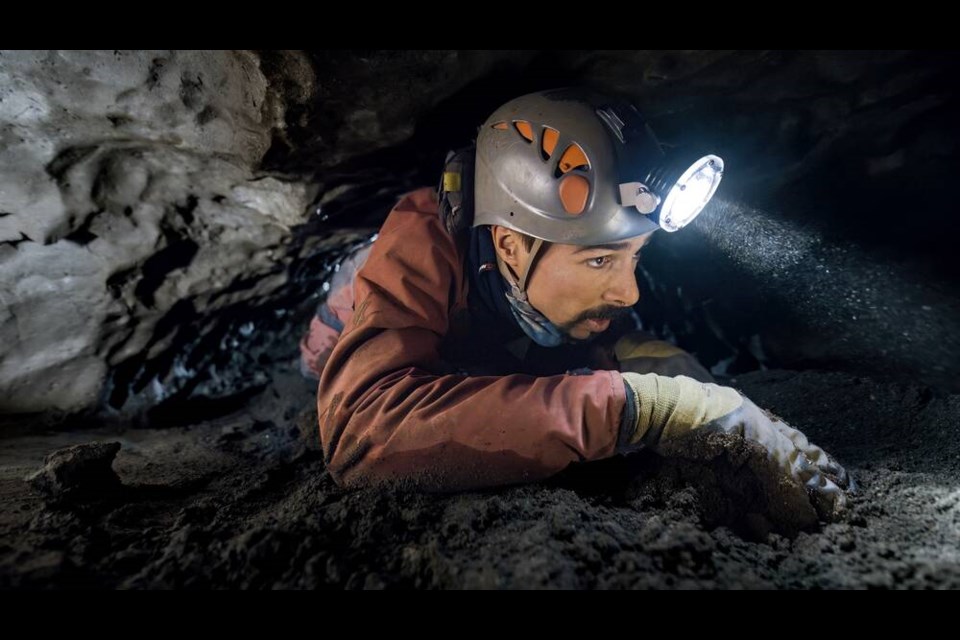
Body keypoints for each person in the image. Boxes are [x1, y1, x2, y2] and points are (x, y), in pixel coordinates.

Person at [301, 88, 854, 522]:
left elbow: (559, 346)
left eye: (635, 257)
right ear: (510, 246)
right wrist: (644, 406)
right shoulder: (419, 244)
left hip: (495, 327)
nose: (629, 291)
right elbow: (362, 436)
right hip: (346, 351)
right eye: (599, 261)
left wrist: (646, 361)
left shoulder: (536, 276)